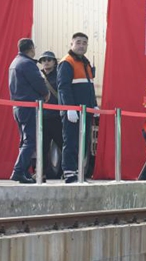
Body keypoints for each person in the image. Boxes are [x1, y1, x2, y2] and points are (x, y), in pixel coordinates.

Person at [58, 32, 98, 184]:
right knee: (71, 141)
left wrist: (94, 103)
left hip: (85, 111)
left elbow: (90, 86)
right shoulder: (67, 62)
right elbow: (63, 87)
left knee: (83, 142)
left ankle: (78, 172)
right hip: (72, 112)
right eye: (78, 42)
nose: (81, 45)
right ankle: (69, 174)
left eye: (84, 43)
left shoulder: (85, 63)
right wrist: (69, 108)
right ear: (71, 44)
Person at [8, 38, 49, 184]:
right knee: (30, 140)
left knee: (24, 140)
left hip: (18, 107)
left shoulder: (15, 62)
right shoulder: (28, 64)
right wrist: (46, 94)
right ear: (31, 48)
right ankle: (18, 171)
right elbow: (39, 83)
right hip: (29, 106)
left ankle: (24, 171)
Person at [38, 51, 63, 180]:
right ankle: (41, 173)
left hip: (56, 116)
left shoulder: (59, 75)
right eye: (43, 60)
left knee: (63, 145)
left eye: (49, 59)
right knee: (42, 148)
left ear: (54, 62)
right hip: (42, 117)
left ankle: (69, 171)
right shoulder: (38, 76)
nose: (46, 62)